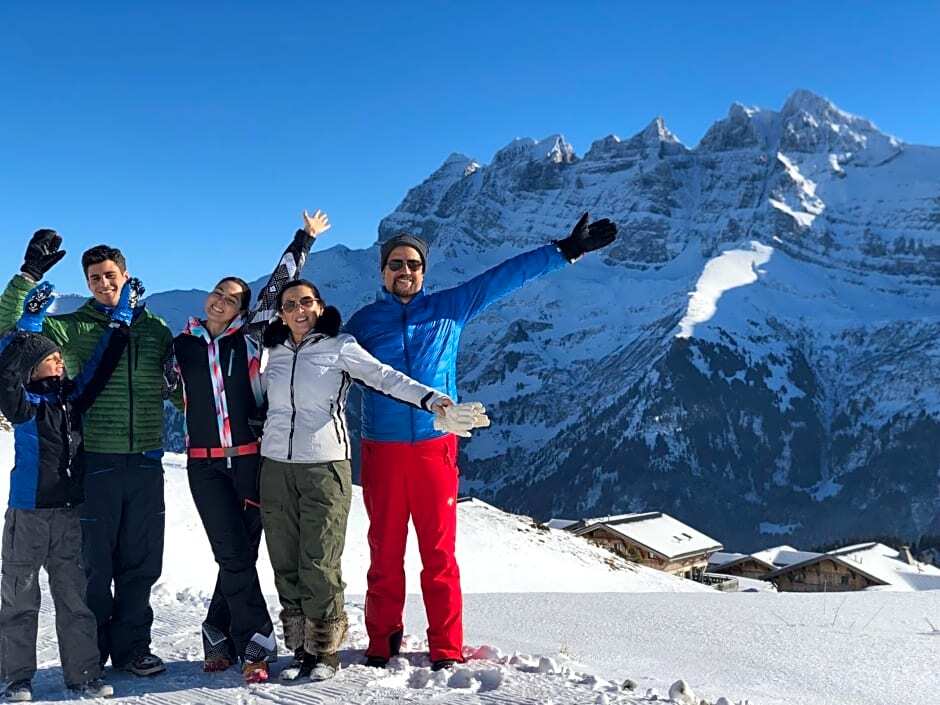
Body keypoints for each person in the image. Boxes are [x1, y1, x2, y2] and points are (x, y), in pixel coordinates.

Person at [344, 212, 618, 670]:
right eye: (395, 264)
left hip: (435, 447)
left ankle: (446, 648)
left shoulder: (450, 307)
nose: (404, 271)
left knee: (439, 554)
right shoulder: (363, 322)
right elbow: (328, 361)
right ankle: (381, 642)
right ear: (382, 271)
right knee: (384, 551)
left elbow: (503, 278)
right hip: (382, 449)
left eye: (413, 264)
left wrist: (565, 250)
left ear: (423, 272)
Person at [258, 277, 458, 682]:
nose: (299, 310)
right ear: (281, 313)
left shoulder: (340, 346)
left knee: (319, 561)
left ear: (320, 307)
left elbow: (385, 377)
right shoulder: (271, 352)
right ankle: (300, 648)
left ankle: (324, 651)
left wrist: (431, 399)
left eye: (307, 302)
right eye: (291, 304)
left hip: (324, 465)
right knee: (284, 560)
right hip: (275, 466)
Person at [0, 231, 173, 676]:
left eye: (110, 275)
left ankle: (133, 648)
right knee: (94, 565)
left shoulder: (155, 328)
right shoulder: (70, 327)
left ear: (126, 275)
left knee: (141, 563)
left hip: (147, 460)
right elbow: (8, 331)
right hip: (95, 459)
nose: (103, 283)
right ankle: (89, 655)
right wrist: (27, 276)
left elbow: (175, 387)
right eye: (94, 278)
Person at [169, 210, 330, 684]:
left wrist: (304, 239)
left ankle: (217, 631)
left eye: (232, 298)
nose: (221, 301)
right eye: (218, 293)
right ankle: (257, 641)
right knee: (232, 552)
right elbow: (158, 382)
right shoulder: (181, 347)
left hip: (249, 461)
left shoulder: (251, 337)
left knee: (239, 553)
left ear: (243, 310)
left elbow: (280, 283)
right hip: (203, 467)